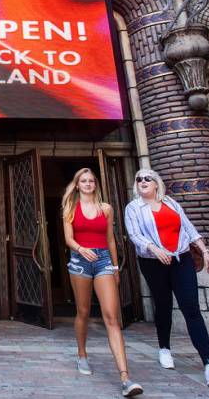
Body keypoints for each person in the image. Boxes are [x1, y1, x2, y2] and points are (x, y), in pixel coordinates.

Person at [124, 168, 209, 388]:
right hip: (153, 263)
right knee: (163, 305)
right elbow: (134, 235)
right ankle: (164, 348)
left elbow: (189, 228)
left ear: (156, 184)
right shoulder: (133, 208)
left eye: (148, 178)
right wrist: (153, 248)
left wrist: (205, 251)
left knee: (191, 307)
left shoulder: (171, 203)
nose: (143, 181)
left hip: (181, 260)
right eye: (139, 179)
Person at [62, 168, 143, 396]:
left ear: (95, 184)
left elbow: (110, 240)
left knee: (111, 316)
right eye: (83, 181)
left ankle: (125, 377)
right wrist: (81, 249)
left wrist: (116, 267)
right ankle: (82, 354)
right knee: (84, 312)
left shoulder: (106, 208)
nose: (88, 184)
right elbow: (68, 238)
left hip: (103, 261)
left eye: (91, 181)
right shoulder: (70, 208)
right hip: (79, 260)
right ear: (77, 185)